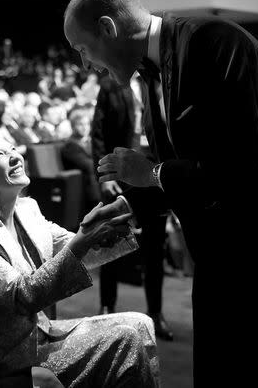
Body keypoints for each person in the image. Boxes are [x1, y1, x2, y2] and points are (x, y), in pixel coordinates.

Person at [65, 0, 258, 387]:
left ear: (108, 28)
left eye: (82, 49)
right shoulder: (148, 73)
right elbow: (185, 166)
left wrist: (152, 174)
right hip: (222, 251)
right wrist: (132, 206)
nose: (85, 65)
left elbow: (248, 168)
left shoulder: (215, 41)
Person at [0, 131, 159, 387]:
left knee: (142, 323)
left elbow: (71, 244)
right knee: (125, 338)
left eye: (13, 148)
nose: (14, 156)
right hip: (4, 354)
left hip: (42, 333)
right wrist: (83, 241)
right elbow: (24, 296)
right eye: (0, 154)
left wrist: (113, 224)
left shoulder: (28, 208)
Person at [91, 73, 172, 340]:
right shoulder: (112, 84)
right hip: (120, 171)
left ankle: (156, 313)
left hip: (154, 173)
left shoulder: (162, 82)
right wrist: (105, 177)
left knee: (154, 248)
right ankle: (106, 306)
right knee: (111, 242)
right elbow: (98, 133)